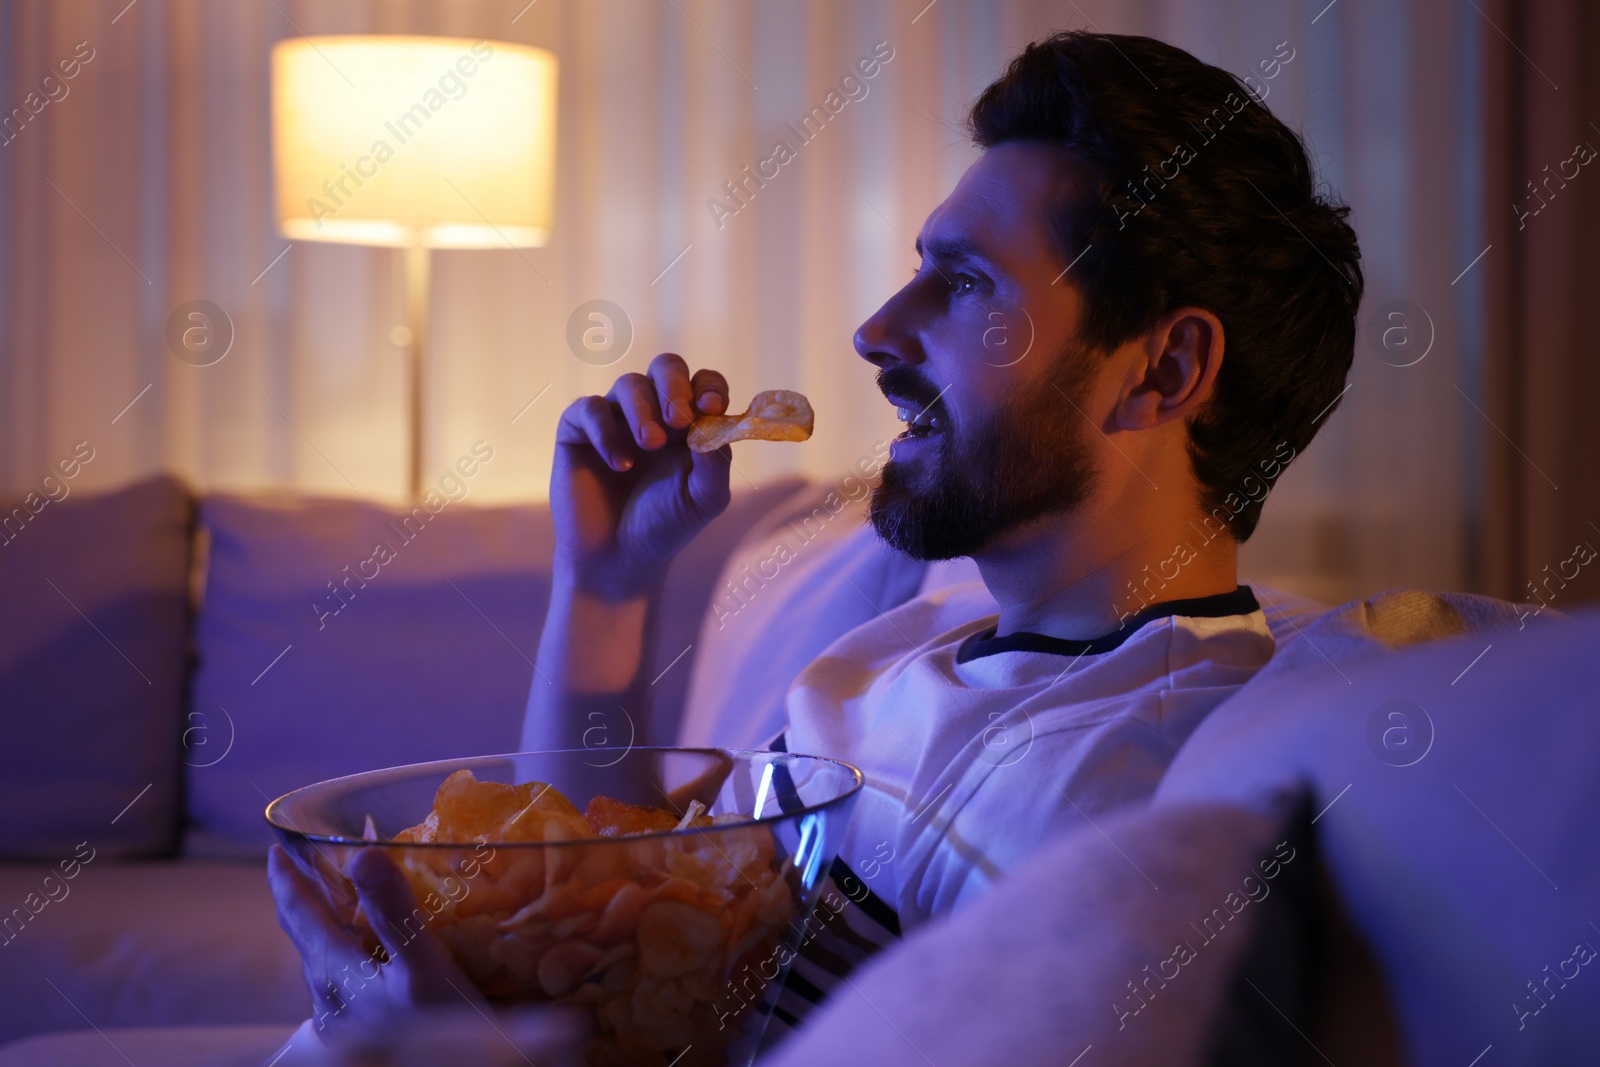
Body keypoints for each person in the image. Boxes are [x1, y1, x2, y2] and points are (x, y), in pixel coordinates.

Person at [269, 29, 1362, 1055]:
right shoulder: (901, 648)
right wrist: (605, 585)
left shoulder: (1139, 794)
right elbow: (608, 880)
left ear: (1162, 372)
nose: (877, 329)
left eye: (967, 281)